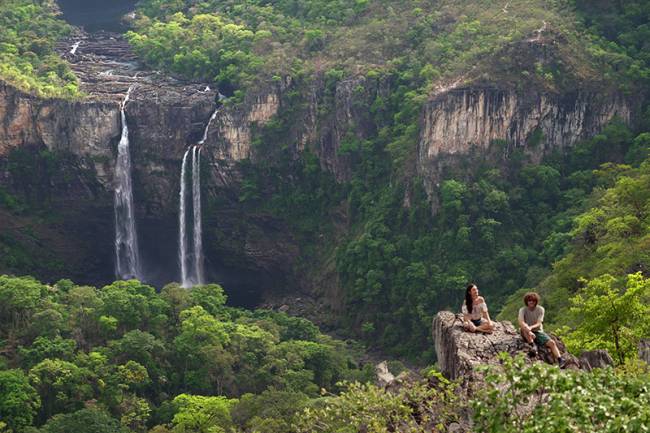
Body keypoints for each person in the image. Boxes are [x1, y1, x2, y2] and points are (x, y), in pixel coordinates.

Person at [518, 292, 566, 368]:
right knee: (524, 328)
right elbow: (521, 322)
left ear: (536, 301)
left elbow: (539, 323)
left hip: (538, 331)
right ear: (526, 301)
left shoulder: (540, 309)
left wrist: (531, 328)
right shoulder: (523, 310)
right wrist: (529, 331)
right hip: (526, 331)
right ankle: (533, 345)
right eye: (529, 300)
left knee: (552, 343)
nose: (531, 302)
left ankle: (560, 359)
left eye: (533, 300)